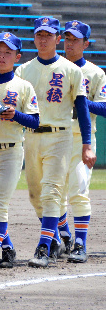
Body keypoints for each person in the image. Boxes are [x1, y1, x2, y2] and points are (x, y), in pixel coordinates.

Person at [15, 16, 95, 268]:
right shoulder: (24, 70)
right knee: (35, 195)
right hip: (32, 137)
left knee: (54, 192)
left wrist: (86, 143)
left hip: (60, 136)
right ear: (34, 37)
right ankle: (57, 239)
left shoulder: (72, 71)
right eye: (39, 34)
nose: (43, 39)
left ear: (57, 39)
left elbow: (82, 110)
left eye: (49, 35)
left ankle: (43, 246)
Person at [0, 32, 40, 273]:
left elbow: (35, 121)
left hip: (11, 152)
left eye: (8, 52)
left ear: (17, 56)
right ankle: (8, 247)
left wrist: (16, 115)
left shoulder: (23, 86)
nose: (2, 56)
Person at [58, 20, 106, 263]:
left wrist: (82, 102)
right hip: (54, 137)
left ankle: (80, 243)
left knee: (79, 192)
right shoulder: (54, 69)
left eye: (75, 39)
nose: (70, 43)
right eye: (67, 38)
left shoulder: (95, 73)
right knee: (51, 193)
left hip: (82, 139)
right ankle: (65, 234)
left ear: (86, 43)